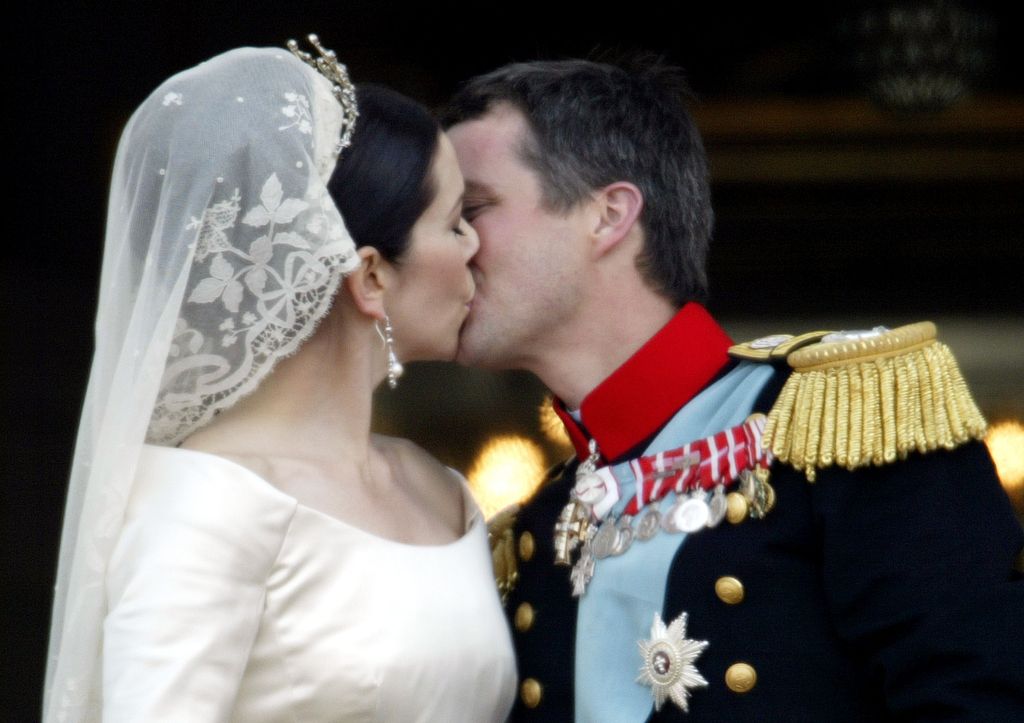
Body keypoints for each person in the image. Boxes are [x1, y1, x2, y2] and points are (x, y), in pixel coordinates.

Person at [444, 58, 1024, 721]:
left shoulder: (842, 420)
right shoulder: (536, 525)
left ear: (608, 215)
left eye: (474, 209)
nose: (449, 244)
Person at [43, 39, 516, 722]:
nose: (478, 248)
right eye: (454, 224)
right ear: (373, 275)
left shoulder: (442, 490)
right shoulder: (204, 501)